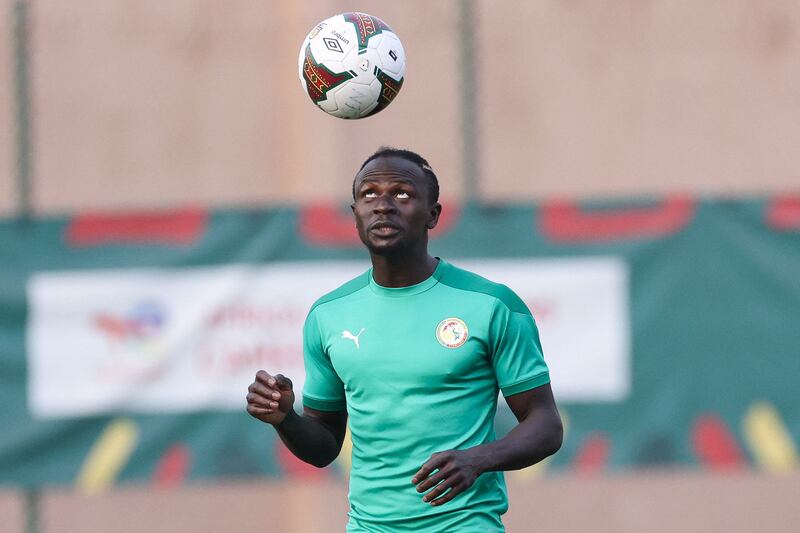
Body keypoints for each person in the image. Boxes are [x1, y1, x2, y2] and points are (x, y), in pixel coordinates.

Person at [246, 147, 563, 532]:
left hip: (465, 524)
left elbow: (545, 424)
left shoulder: (491, 305)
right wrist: (285, 420)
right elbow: (324, 445)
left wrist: (478, 459)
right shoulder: (328, 315)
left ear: (433, 214)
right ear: (356, 215)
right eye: (369, 194)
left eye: (401, 193)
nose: (383, 205)